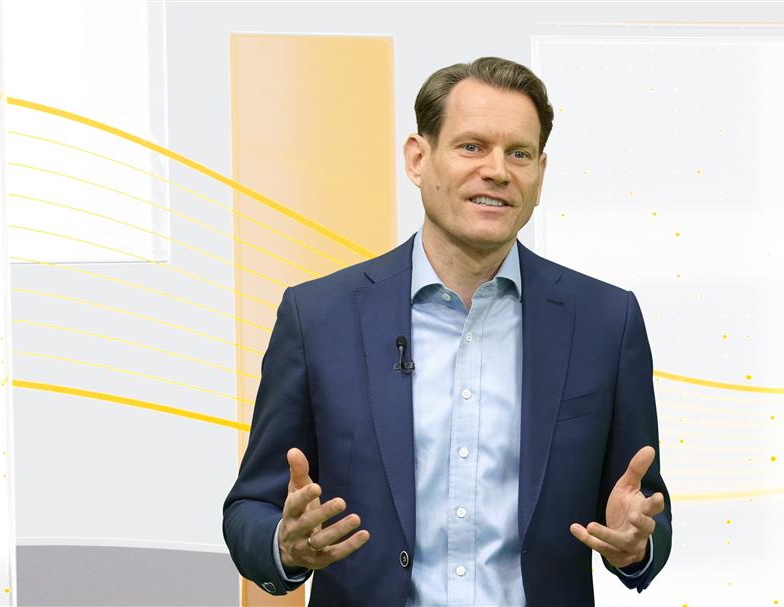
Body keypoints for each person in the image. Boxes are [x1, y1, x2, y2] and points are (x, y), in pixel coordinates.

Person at [223, 56, 671, 606]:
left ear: (539, 175)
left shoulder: (606, 320)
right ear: (418, 159)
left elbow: (646, 509)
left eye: (519, 153)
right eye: (472, 147)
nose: (498, 171)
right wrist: (286, 546)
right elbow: (250, 508)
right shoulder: (318, 316)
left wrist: (638, 546)